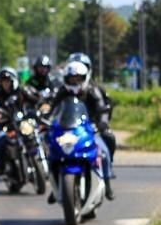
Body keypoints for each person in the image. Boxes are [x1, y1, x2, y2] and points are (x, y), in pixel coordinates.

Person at [49, 59, 116, 201]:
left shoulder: (93, 91)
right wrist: (47, 120)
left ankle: (108, 183)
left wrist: (102, 122)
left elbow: (102, 108)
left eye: (78, 79)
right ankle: (56, 185)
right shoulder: (62, 92)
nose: (75, 82)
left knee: (103, 153)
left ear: (85, 78)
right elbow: (53, 109)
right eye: (71, 79)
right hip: (67, 131)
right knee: (53, 152)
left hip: (88, 130)